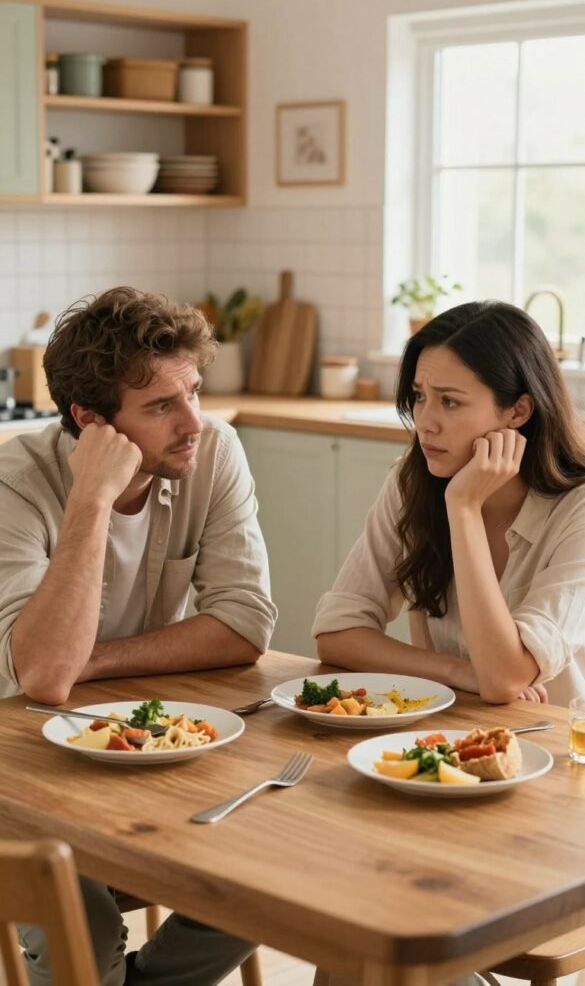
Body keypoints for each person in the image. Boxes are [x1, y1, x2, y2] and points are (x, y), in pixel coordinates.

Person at [0, 285, 277, 986]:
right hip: (14, 763)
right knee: (81, 931)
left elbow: (244, 622)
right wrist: (90, 499)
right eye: (161, 406)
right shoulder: (14, 483)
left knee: (262, 872)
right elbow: (41, 680)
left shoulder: (211, 450)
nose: (193, 422)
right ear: (90, 421)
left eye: (193, 392)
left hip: (136, 740)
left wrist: (88, 662)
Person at [313, 300, 585, 706]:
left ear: (518, 411)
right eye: (420, 396)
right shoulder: (412, 481)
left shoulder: (576, 510)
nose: (425, 421)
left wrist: (463, 508)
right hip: (445, 736)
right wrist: (456, 672)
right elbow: (336, 634)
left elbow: (503, 680)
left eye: (450, 401)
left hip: (558, 748)